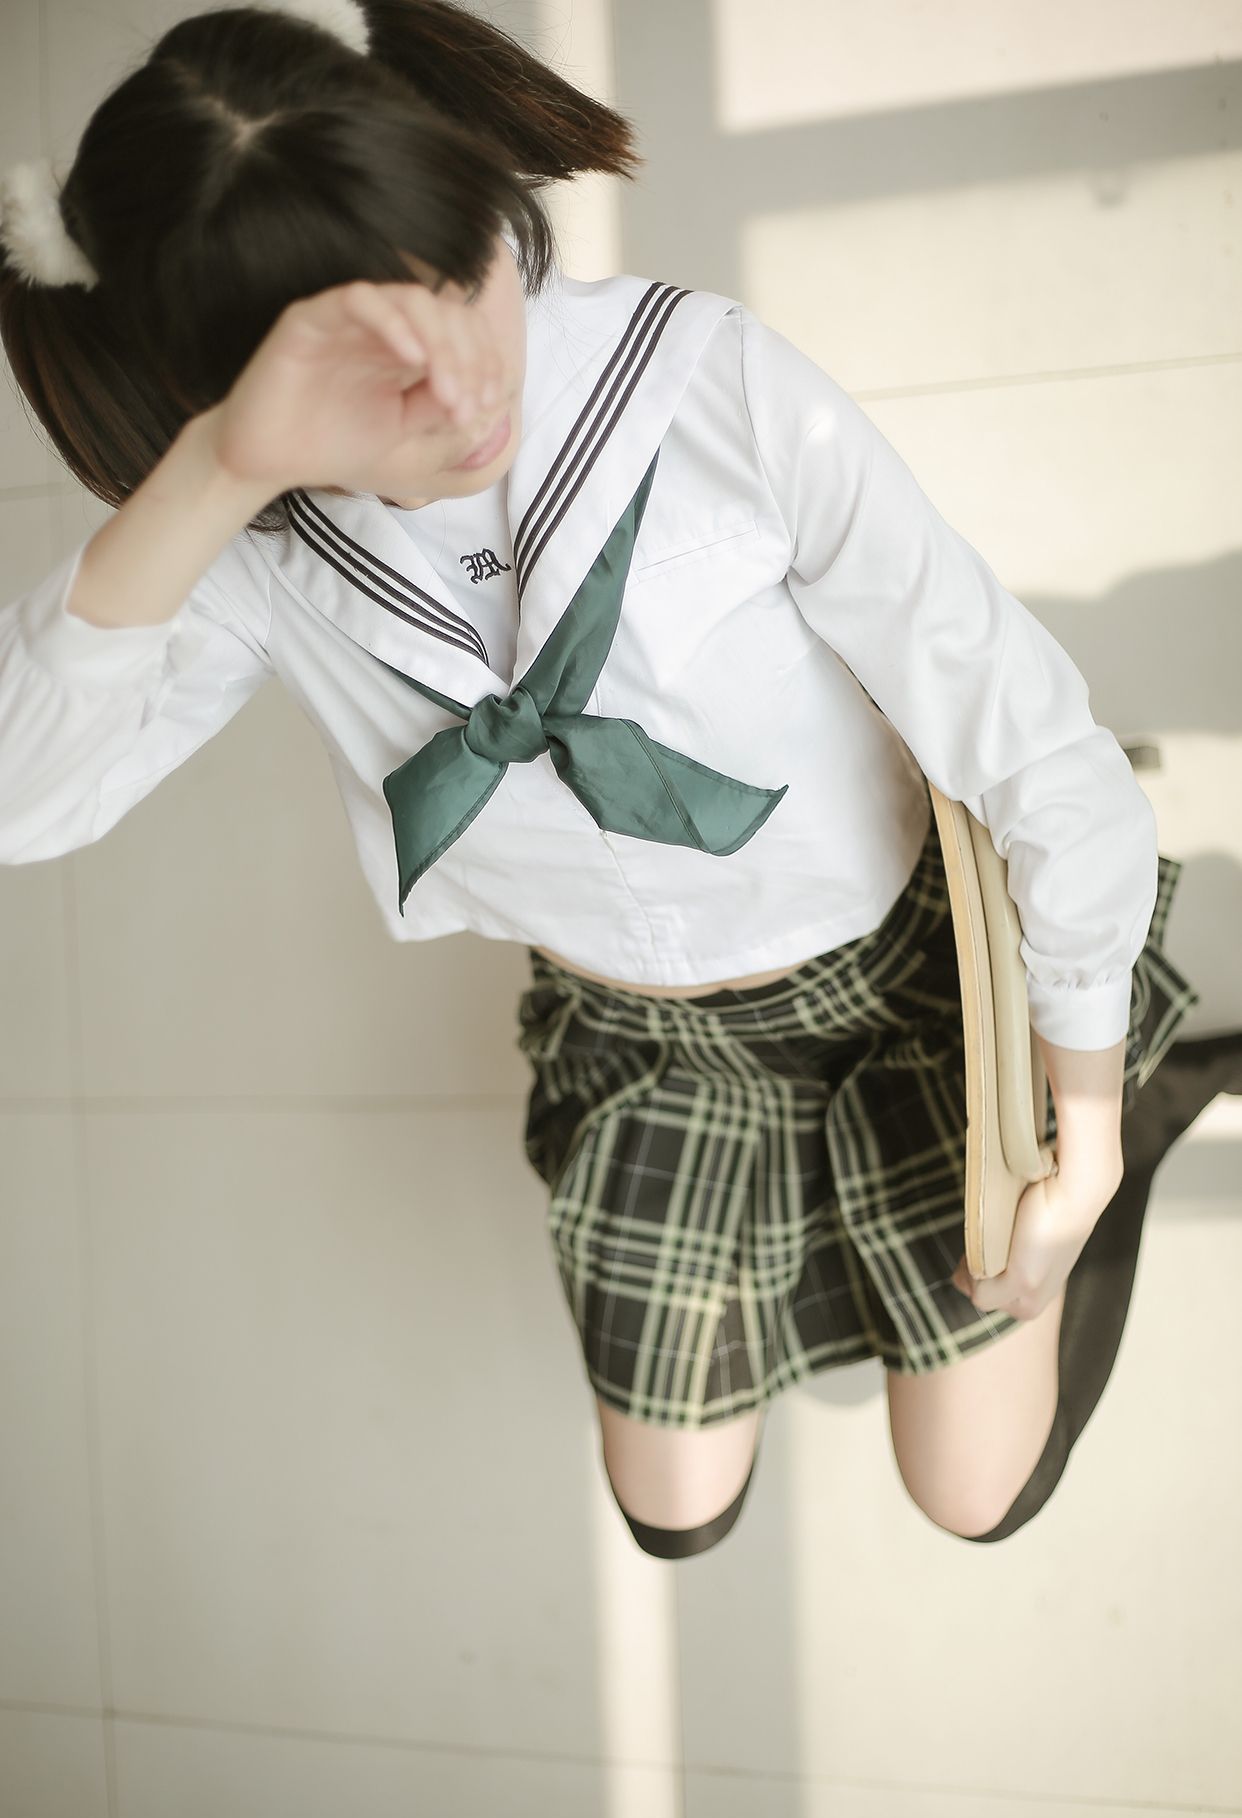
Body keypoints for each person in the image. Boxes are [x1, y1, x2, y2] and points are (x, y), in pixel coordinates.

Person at [0, 0, 1212, 1562]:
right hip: (636, 1039)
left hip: (909, 979)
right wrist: (217, 476)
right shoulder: (251, 549)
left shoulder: (699, 385)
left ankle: (1154, 1097)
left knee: (970, 1495)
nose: (462, 389)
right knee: (671, 1515)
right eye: (367, 375)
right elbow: (24, 797)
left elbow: (1016, 723)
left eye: (461, 273)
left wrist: (1084, 1116)